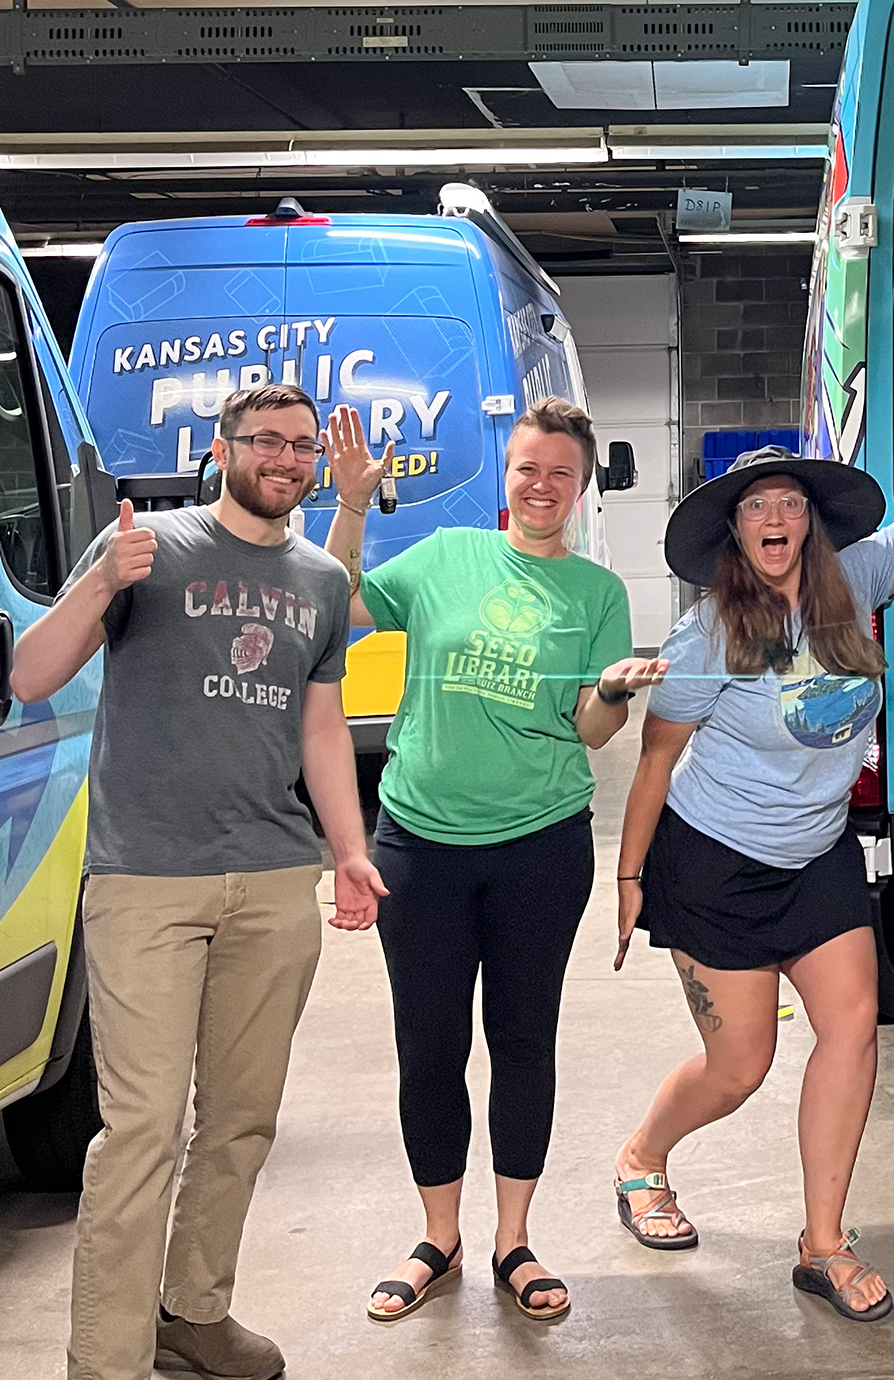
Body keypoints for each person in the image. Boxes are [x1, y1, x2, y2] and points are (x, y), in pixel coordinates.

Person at [607, 336, 894, 1322]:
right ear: (735, 531)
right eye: (757, 506)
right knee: (739, 1066)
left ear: (811, 521)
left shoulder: (857, 585)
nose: (776, 517)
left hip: (818, 858)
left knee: (849, 1031)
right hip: (714, 865)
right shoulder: (708, 634)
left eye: (790, 503)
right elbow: (656, 758)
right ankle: (641, 1157)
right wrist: (628, 881)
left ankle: (822, 1242)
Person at [11, 383, 383, 1380]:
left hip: (272, 880)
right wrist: (97, 585)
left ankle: (193, 1310)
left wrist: (348, 849)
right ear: (222, 448)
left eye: (301, 446)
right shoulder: (148, 548)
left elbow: (319, 727)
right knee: (140, 1130)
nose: (286, 459)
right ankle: (107, 1359)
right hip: (146, 884)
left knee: (243, 1117)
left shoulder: (314, 577)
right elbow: (30, 677)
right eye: (265, 441)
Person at [319, 398, 665, 1323]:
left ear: (583, 485)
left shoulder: (597, 595)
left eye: (561, 470)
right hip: (419, 845)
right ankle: (441, 1235)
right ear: (505, 475)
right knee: (428, 1045)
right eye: (527, 467)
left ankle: (514, 1238)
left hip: (540, 848)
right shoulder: (443, 558)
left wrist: (607, 690)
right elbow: (339, 604)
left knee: (521, 1042)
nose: (542, 484)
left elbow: (592, 734)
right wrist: (351, 504)